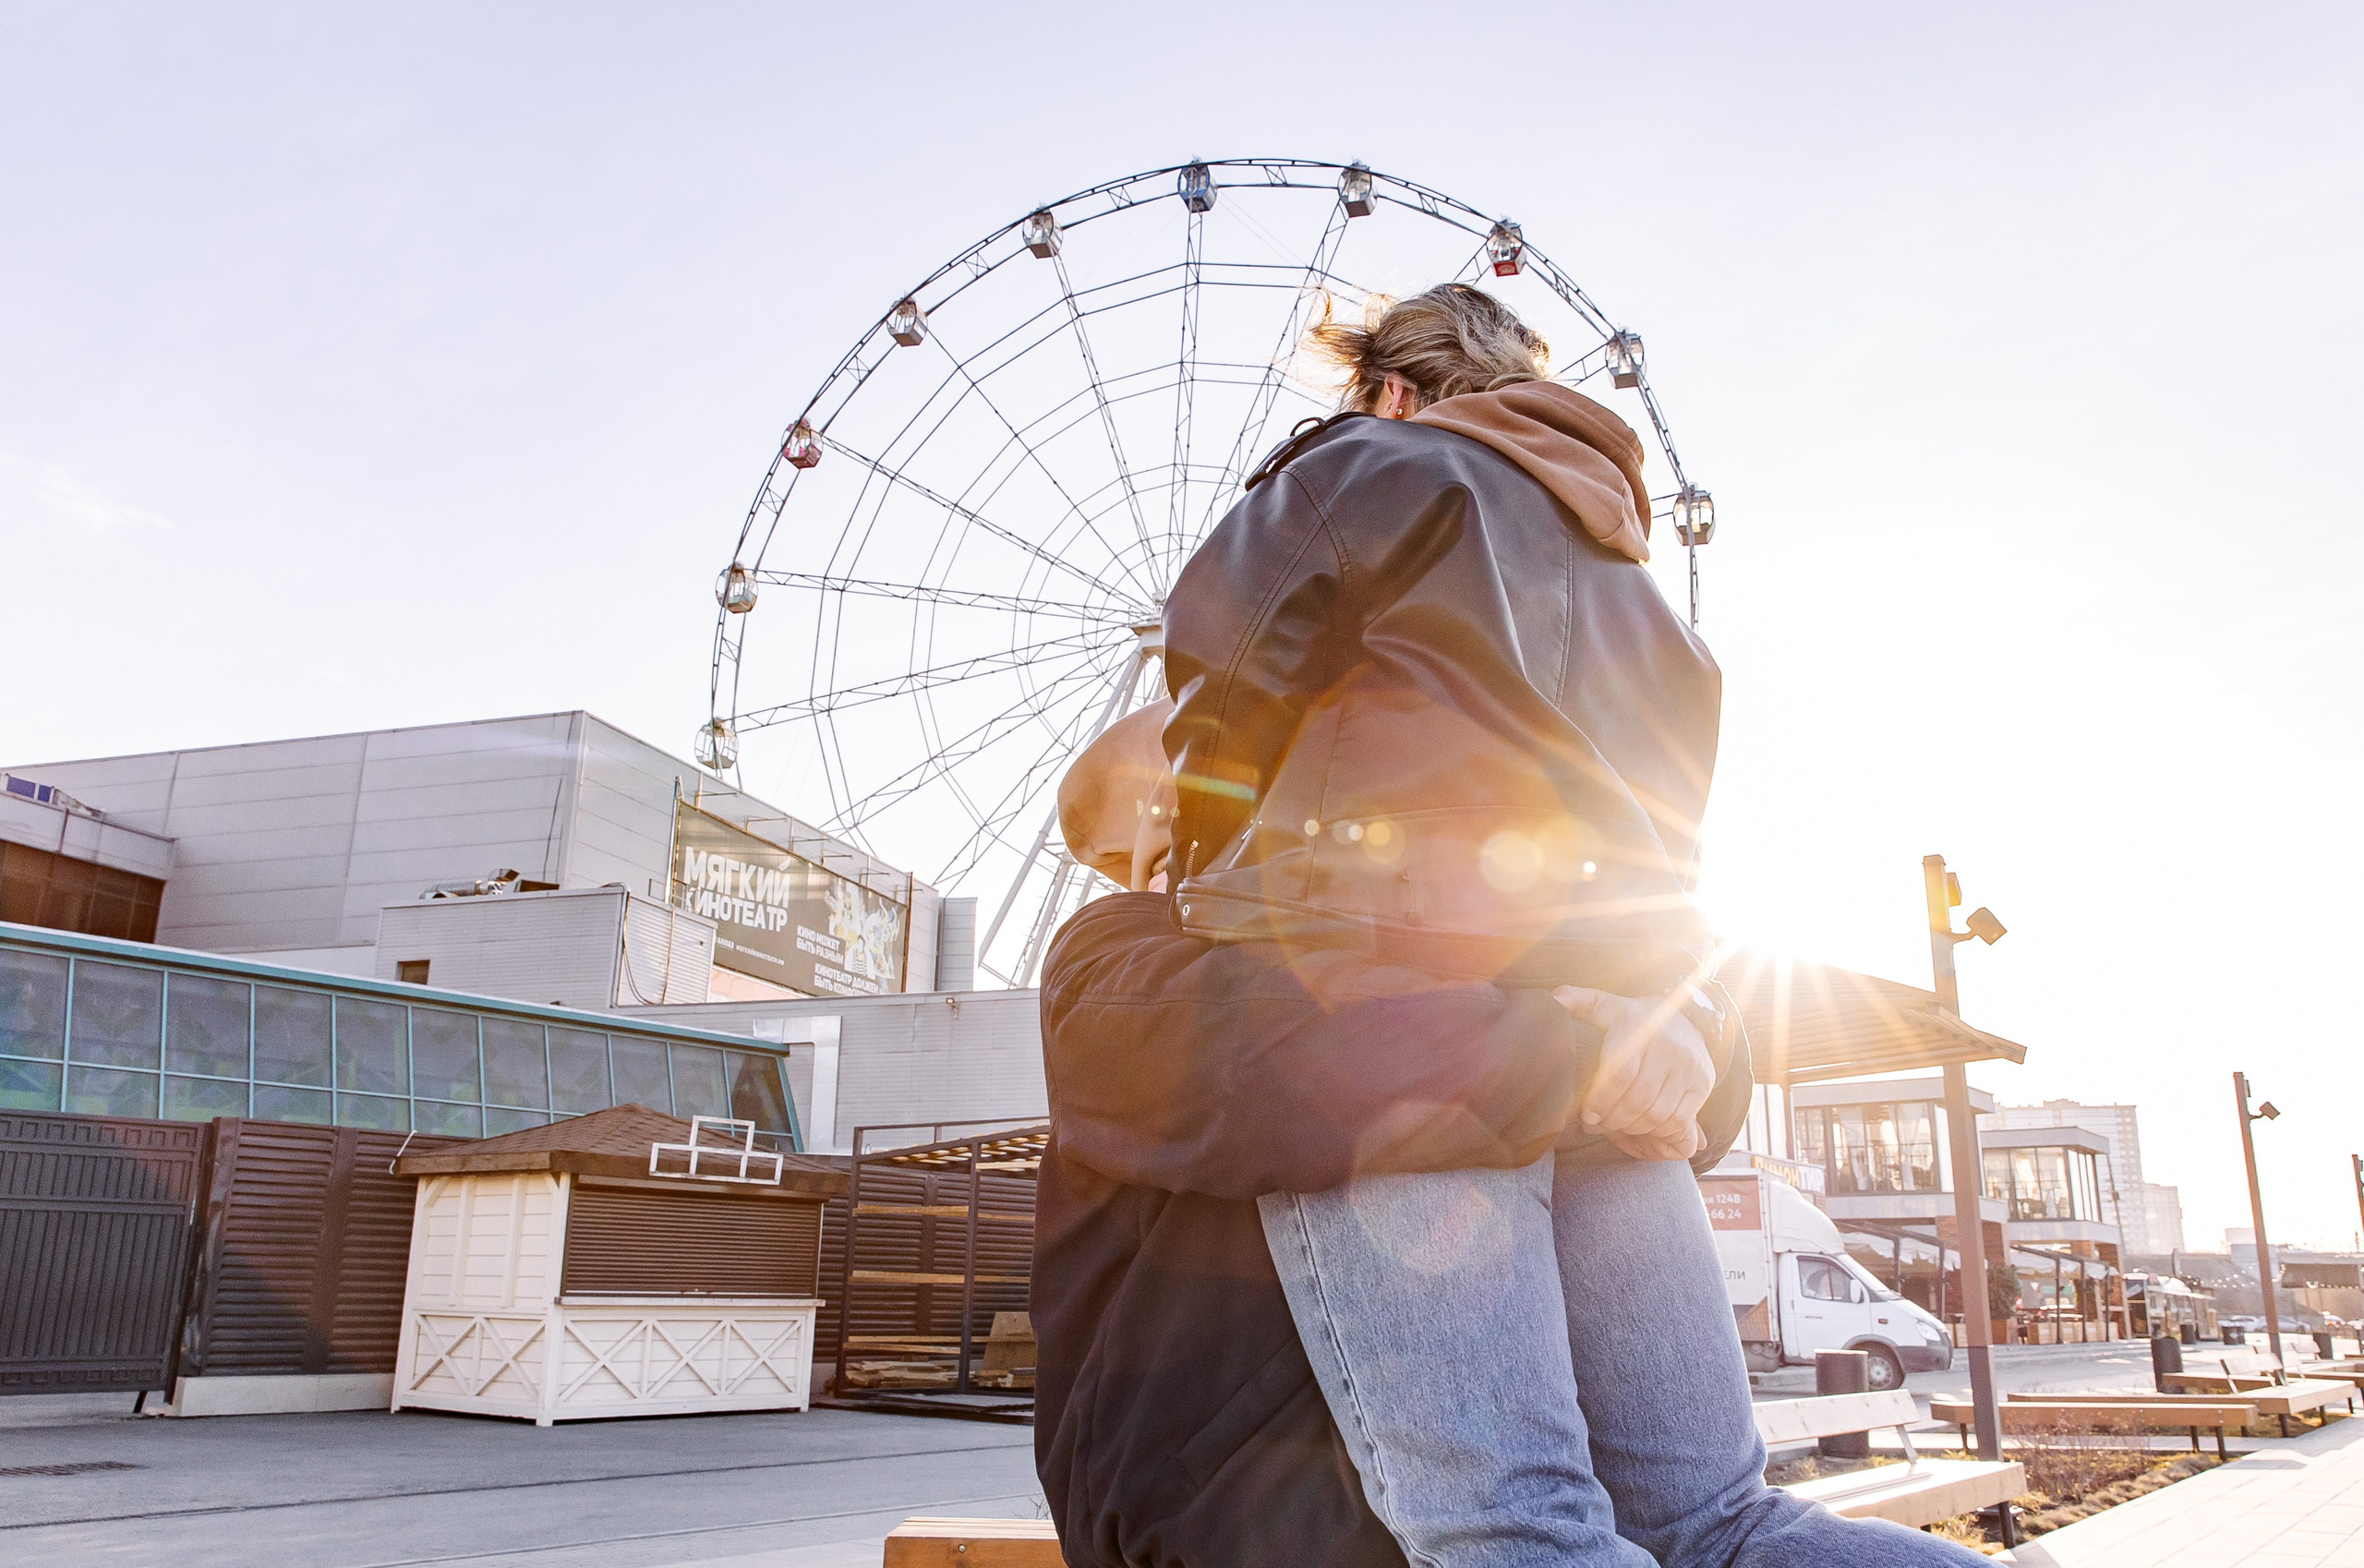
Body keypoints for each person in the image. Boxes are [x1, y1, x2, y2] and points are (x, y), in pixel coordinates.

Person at [1032, 284, 1988, 1566]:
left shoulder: (1359, 466)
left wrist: (1223, 830)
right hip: (1605, 1035)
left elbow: (1222, 651)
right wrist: (1640, 1029)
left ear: (1385, 388)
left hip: (1402, 983)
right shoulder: (1651, 608)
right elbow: (1667, 879)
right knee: (1723, 1521)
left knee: (1512, 1527)